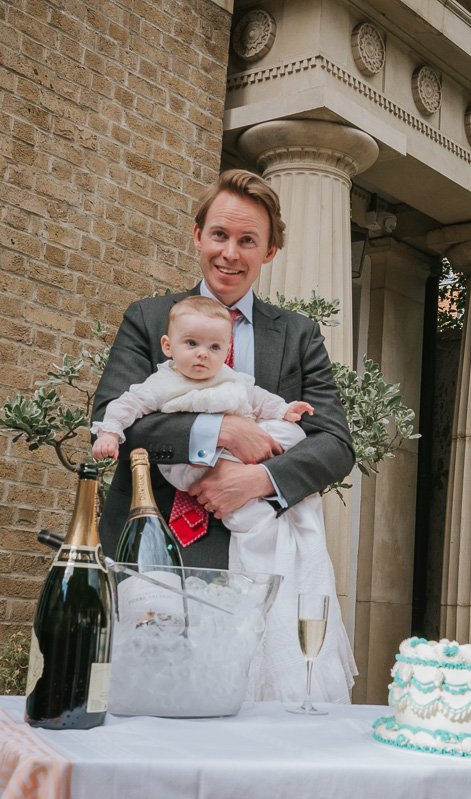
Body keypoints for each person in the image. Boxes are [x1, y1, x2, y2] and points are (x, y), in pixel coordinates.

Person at [91, 168, 356, 703]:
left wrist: (259, 480)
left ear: (269, 251)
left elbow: (334, 443)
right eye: (219, 235)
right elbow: (117, 417)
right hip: (158, 554)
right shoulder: (148, 319)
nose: (229, 253)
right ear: (197, 236)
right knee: (147, 717)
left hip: (265, 565)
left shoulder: (299, 335)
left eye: (247, 240)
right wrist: (221, 430)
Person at [91, 295, 313, 534]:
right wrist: (109, 433)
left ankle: (256, 474)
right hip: (193, 464)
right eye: (191, 343)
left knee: (295, 432)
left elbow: (257, 397)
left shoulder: (227, 376)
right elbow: (126, 405)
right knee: (251, 519)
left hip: (245, 451)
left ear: (226, 350)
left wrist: (284, 409)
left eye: (214, 347)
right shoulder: (162, 383)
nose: (203, 354)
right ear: (168, 346)